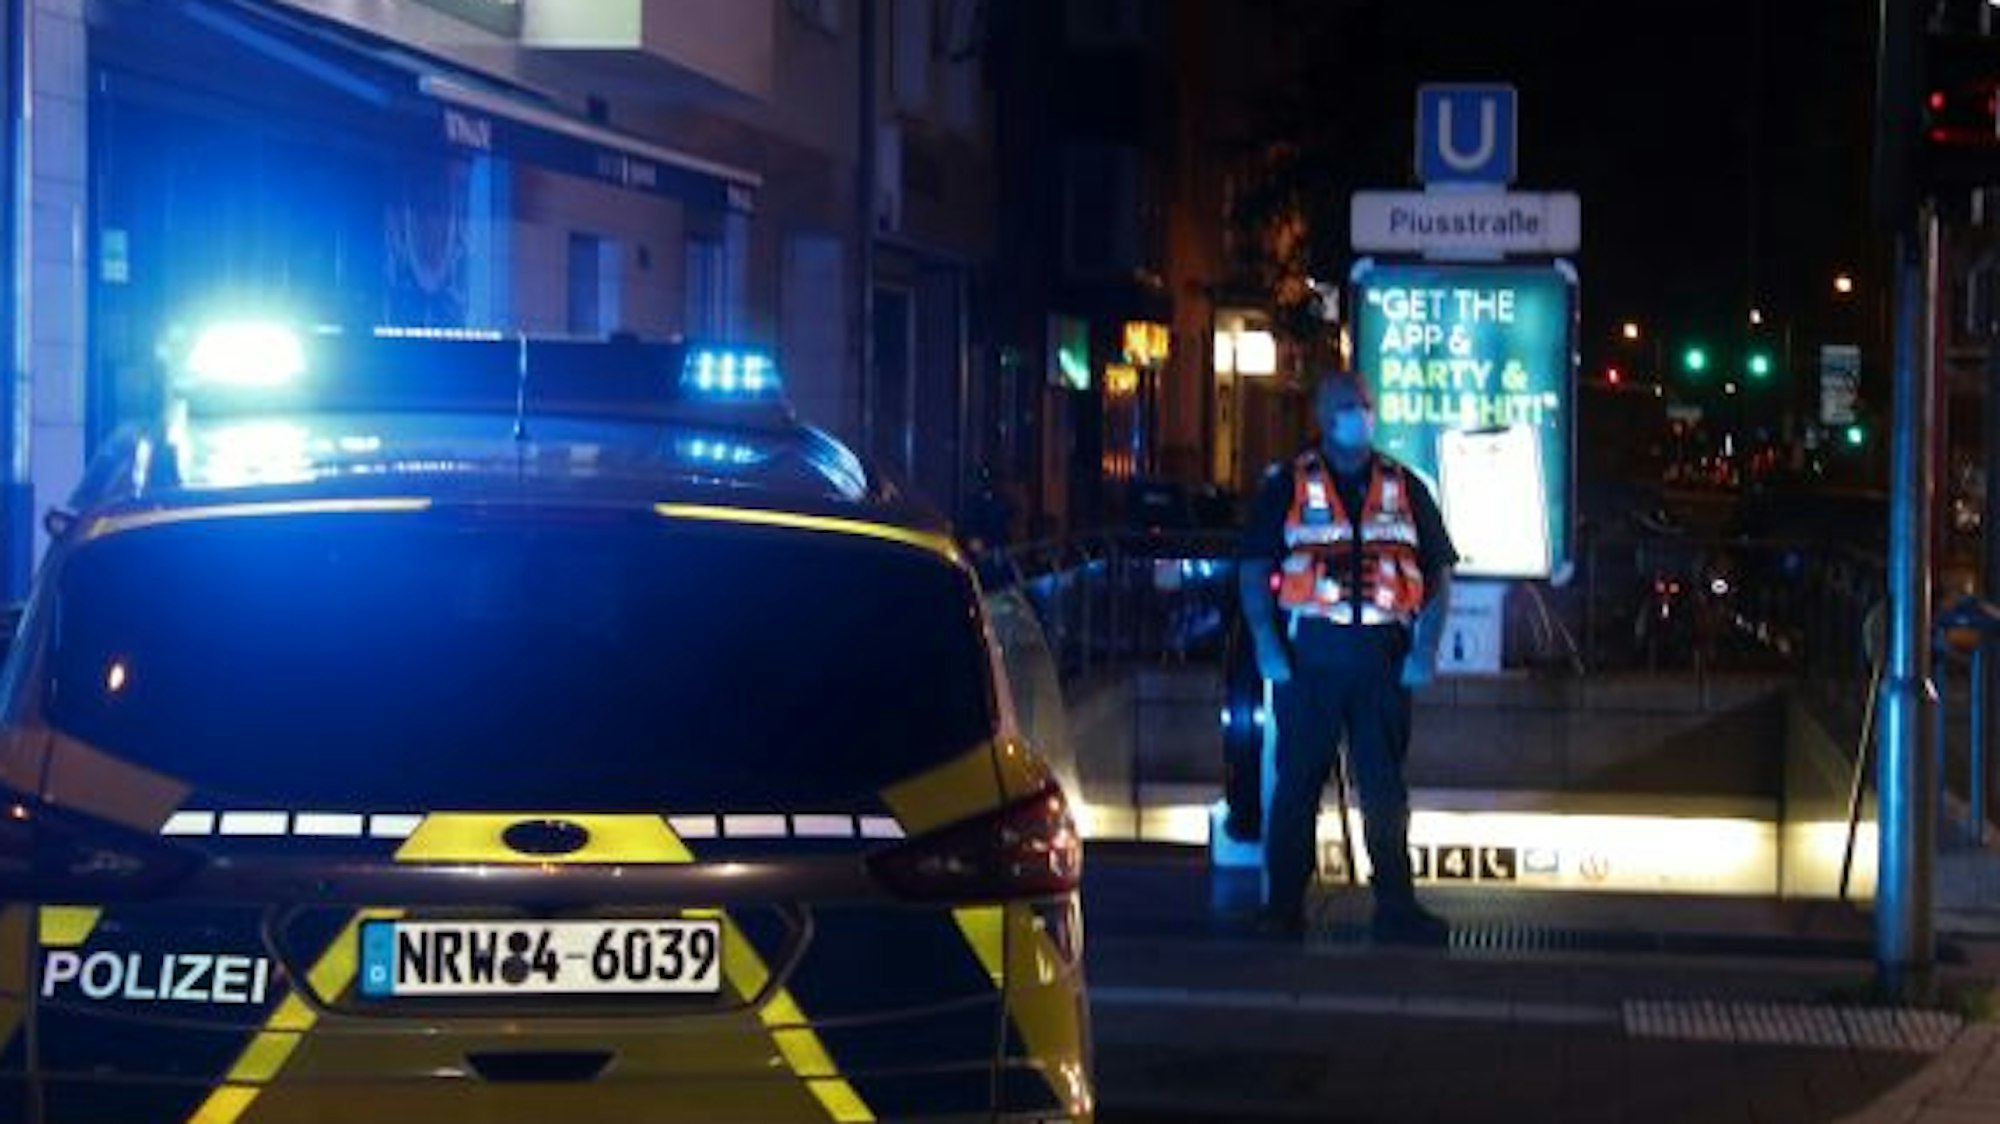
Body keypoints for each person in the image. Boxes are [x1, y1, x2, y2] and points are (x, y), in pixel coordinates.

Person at [1236, 369, 1458, 944]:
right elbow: (1255, 568)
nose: (1356, 413)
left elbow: (1439, 572)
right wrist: (1266, 647)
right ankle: (1283, 907)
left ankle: (1397, 907)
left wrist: (1425, 651)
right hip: (1309, 660)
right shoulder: (1287, 484)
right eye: (1344, 405)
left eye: (1363, 403)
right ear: (1321, 415)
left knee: (1385, 788)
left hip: (1384, 662)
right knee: (1297, 784)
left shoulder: (1405, 485)